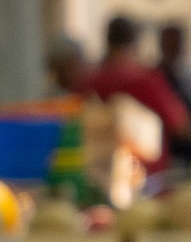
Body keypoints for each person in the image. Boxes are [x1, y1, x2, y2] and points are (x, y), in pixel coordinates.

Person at [79, 15, 189, 155]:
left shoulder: (88, 81)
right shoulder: (146, 80)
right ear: (135, 43)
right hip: (143, 166)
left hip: (93, 163)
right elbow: (180, 125)